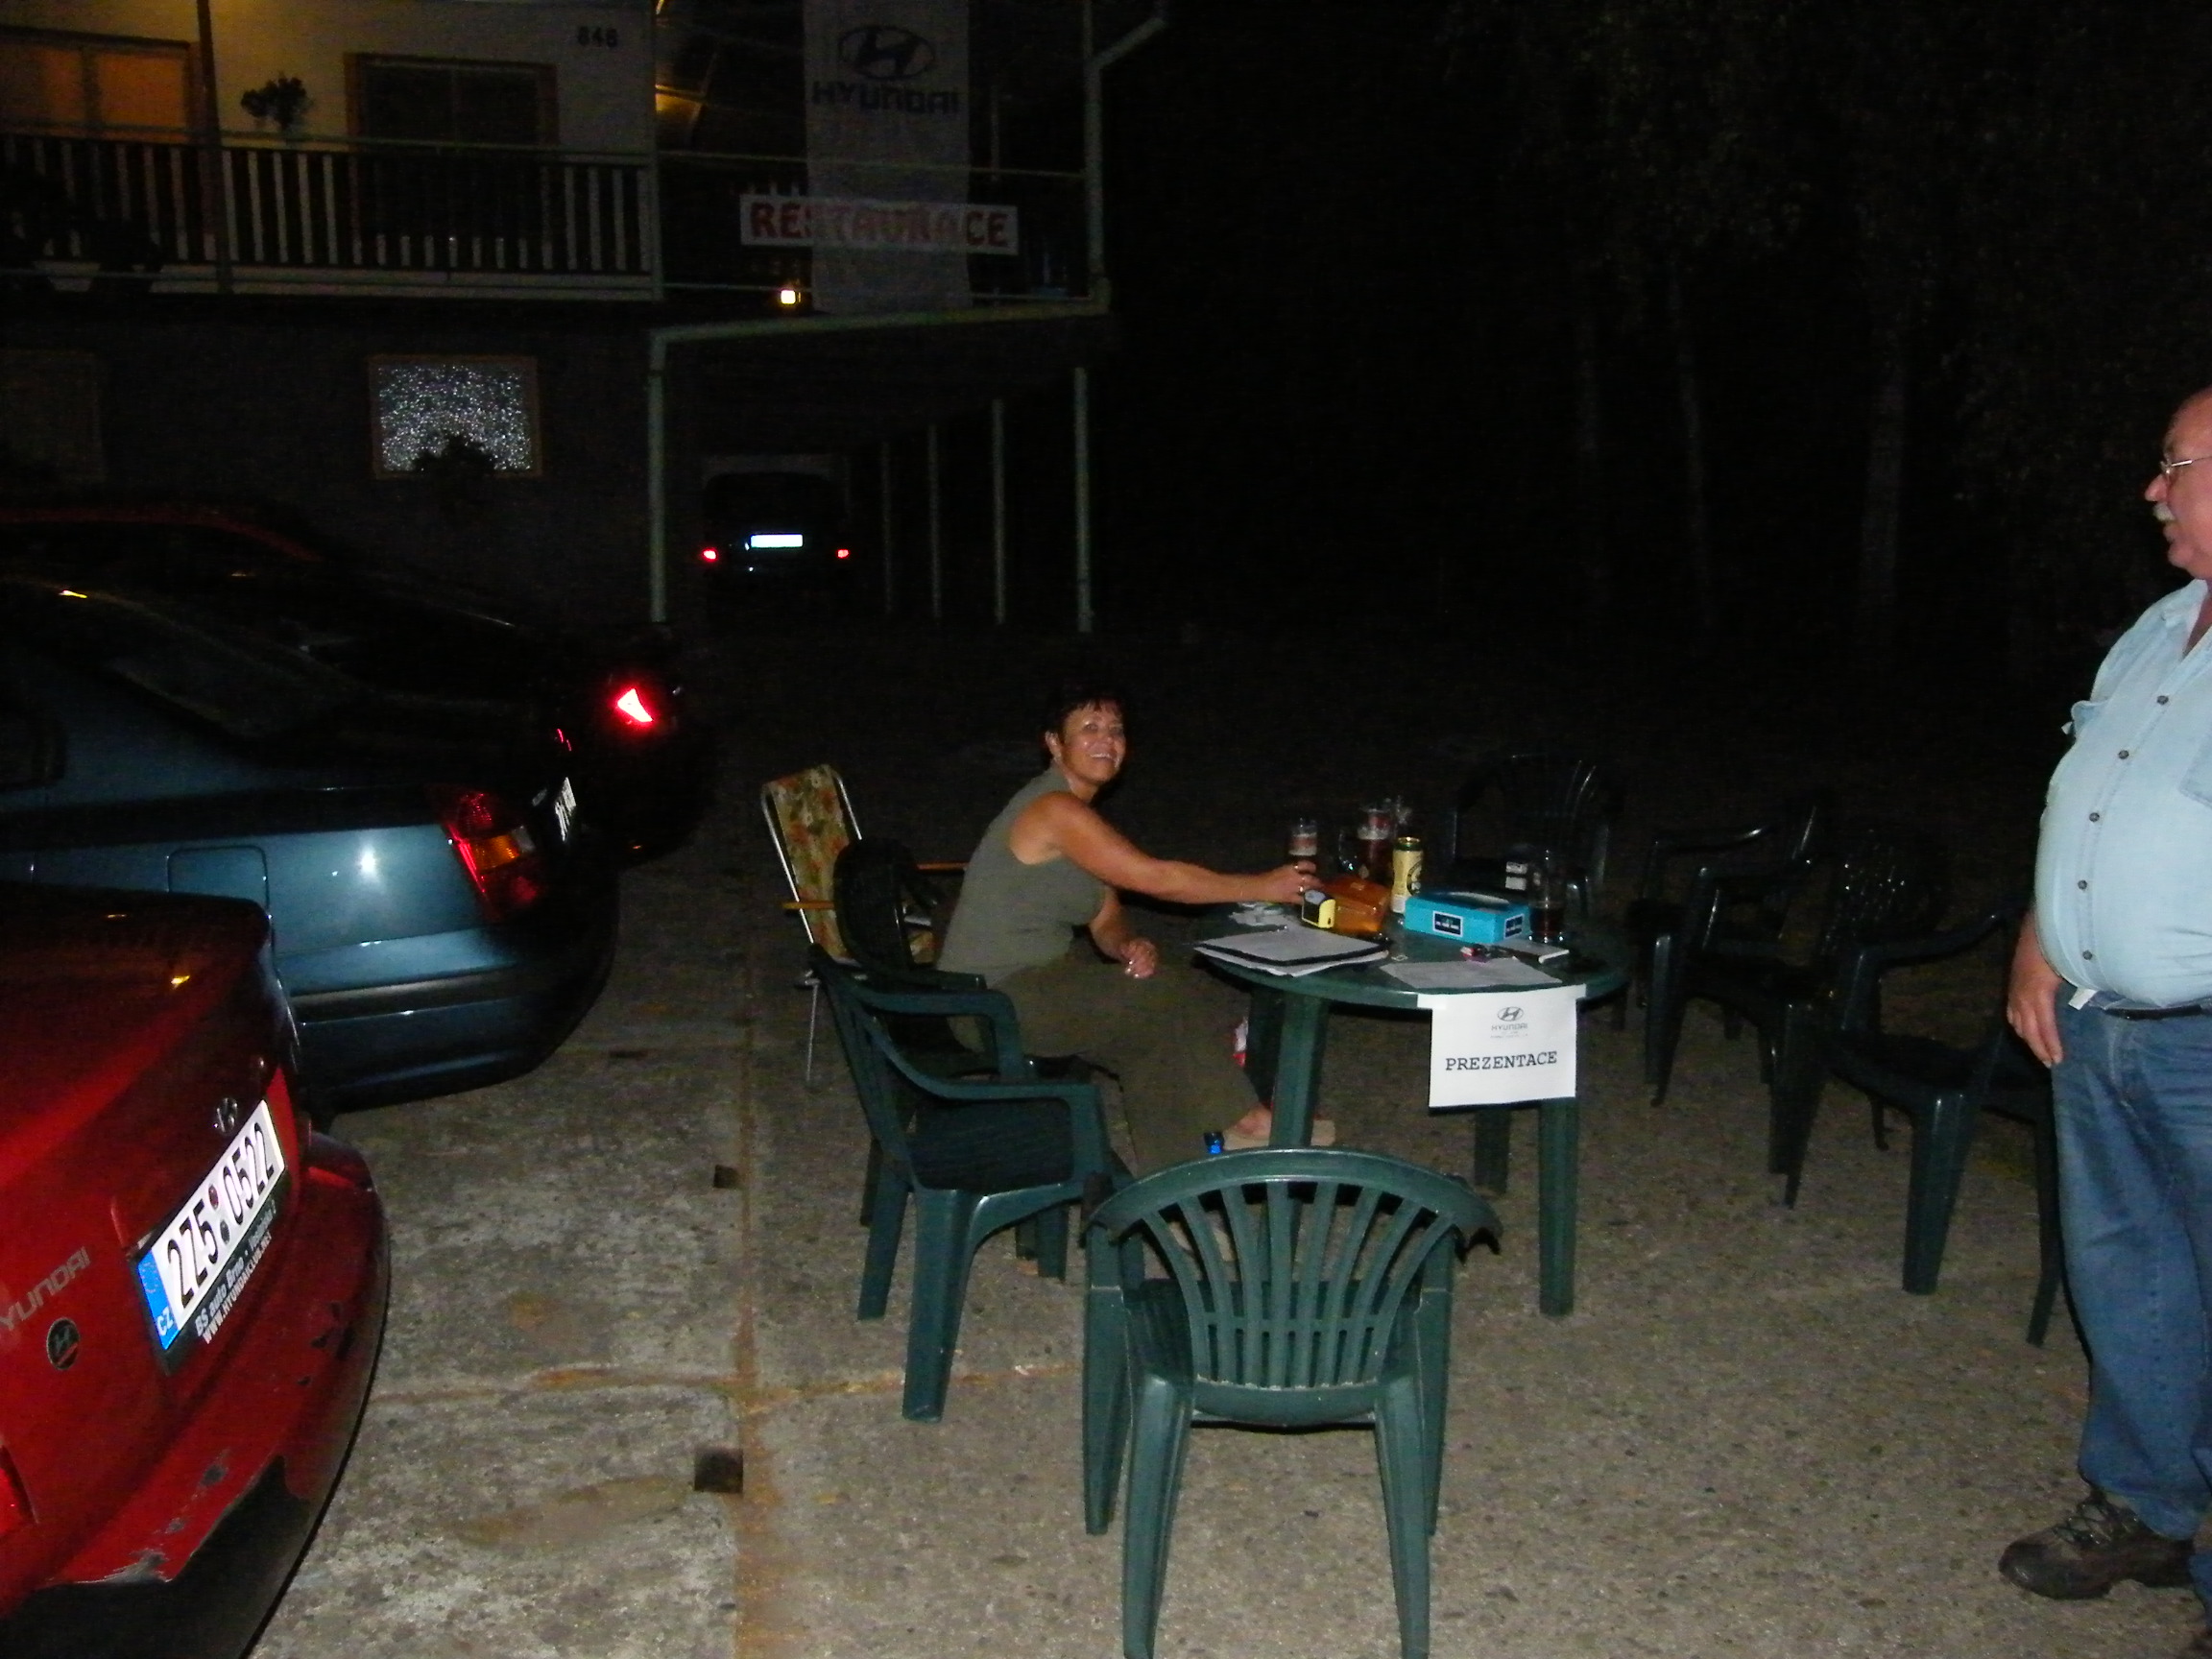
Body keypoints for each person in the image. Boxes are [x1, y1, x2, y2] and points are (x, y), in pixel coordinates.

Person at [2003, 385, 2212, 1656]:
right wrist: (2042, 936)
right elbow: (2085, 793)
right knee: (2131, 1278)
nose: (2152, 490)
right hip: (2097, 1023)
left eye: (2174, 465)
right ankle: (2145, 1506)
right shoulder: (2159, 629)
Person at [936, 681, 1316, 1171]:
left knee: (1151, 1036)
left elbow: (1105, 914)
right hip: (988, 999)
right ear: (1054, 743)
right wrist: (1262, 885)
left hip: (1042, 979)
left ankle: (1172, 1190)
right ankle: (1244, 1119)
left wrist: (1125, 944)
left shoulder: (1080, 816)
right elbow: (1156, 879)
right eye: (1089, 728)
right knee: (1162, 996)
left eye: (1115, 730)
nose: (1106, 740)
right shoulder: (1053, 810)